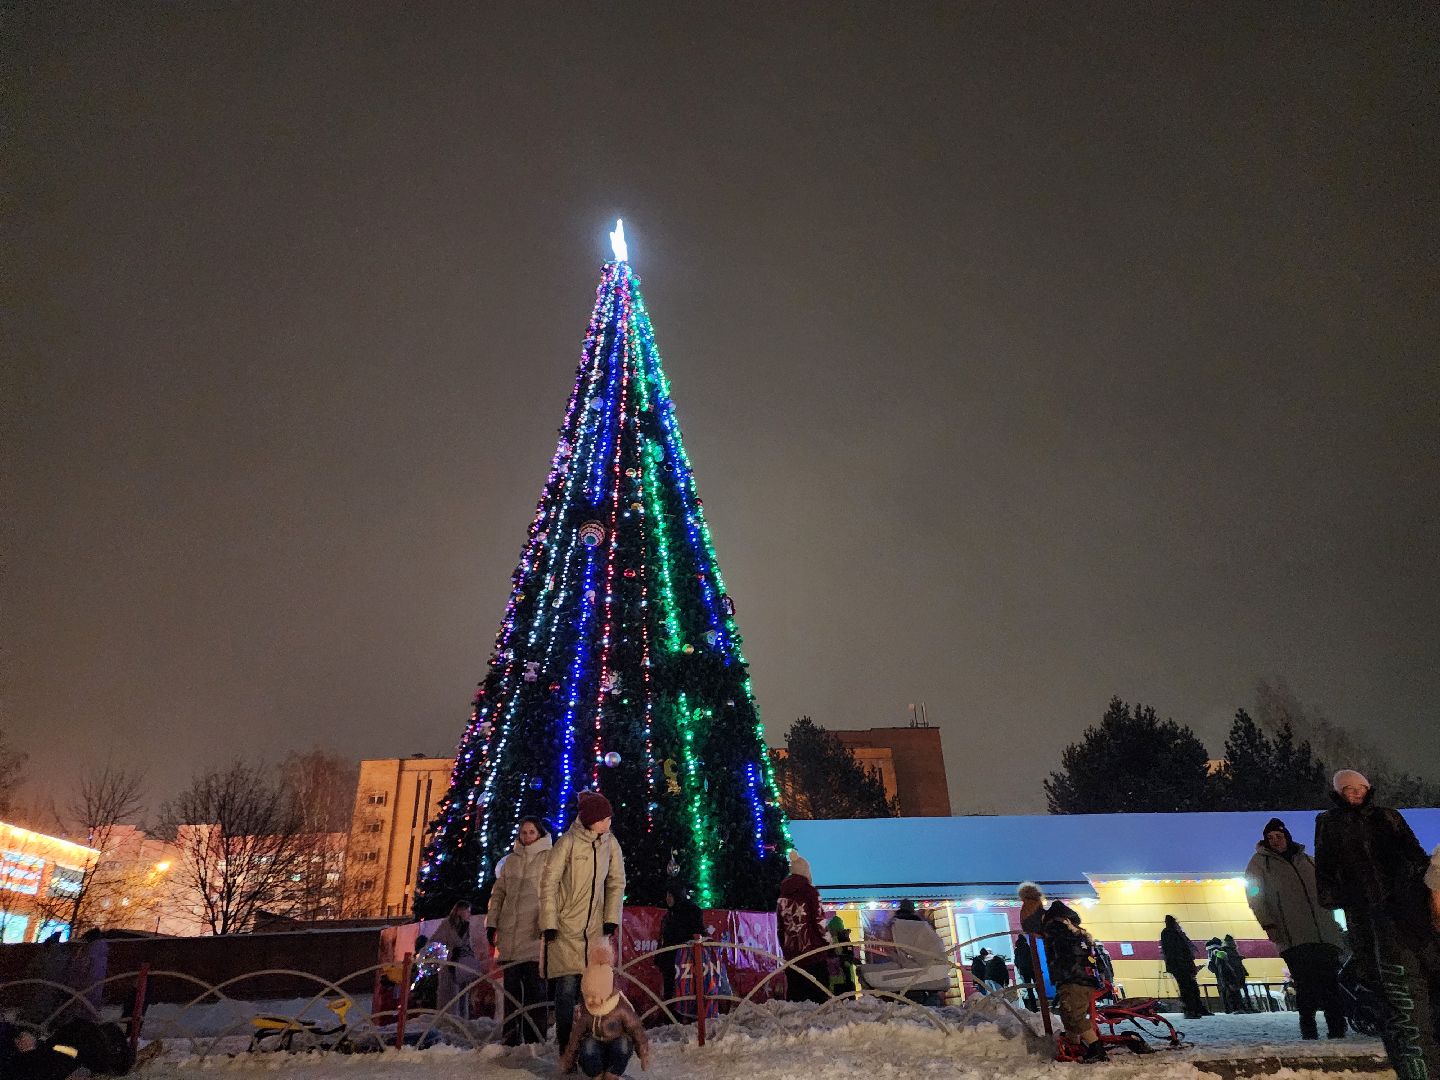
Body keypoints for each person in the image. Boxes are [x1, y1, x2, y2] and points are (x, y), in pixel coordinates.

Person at [1315, 769, 1440, 1080]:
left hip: (1402, 908)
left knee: (1411, 1002)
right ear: (1338, 793)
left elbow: (1415, 854)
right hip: (1363, 913)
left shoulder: (1387, 817)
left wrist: (1420, 886)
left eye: (1359, 787)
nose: (1354, 793)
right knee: (1395, 999)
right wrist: (1333, 896)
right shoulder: (1329, 822)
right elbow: (1325, 866)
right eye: (1347, 789)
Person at [1246, 816, 1347, 1038]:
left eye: (1278, 836)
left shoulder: (1308, 861)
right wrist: (1269, 924)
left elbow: (1328, 889)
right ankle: (1309, 1031)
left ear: (1287, 836)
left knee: (1330, 983)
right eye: (1270, 837)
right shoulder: (1259, 864)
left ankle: (1337, 1030)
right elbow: (1255, 896)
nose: (1275, 840)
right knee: (1305, 985)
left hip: (1324, 934)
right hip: (1292, 936)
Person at [541, 790, 626, 1055]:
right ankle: (566, 1047)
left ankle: (590, 1046)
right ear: (591, 820)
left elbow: (616, 881)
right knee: (566, 990)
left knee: (594, 992)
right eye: (604, 818)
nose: (608, 822)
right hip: (566, 927)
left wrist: (610, 918)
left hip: (595, 930)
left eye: (609, 818)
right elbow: (549, 882)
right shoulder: (567, 843)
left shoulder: (610, 844)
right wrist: (549, 922)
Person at [1021, 882, 1106, 1063]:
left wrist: (1065, 977)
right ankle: (1075, 1045)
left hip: (1075, 978)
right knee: (1067, 1013)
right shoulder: (1064, 925)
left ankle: (1096, 1048)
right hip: (1078, 977)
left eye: (1034, 932)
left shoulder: (1055, 928)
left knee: (1074, 1014)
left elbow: (1069, 955)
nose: (1036, 936)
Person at [487, 815, 552, 1047]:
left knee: (535, 992)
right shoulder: (511, 861)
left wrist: (548, 924)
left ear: (539, 833)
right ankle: (511, 1037)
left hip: (534, 935)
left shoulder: (548, 858)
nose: (527, 836)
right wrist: (492, 922)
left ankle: (535, 1039)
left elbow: (552, 894)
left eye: (531, 832)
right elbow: (498, 894)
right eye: (524, 832)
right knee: (511, 994)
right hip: (510, 936)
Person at [557, 942, 649, 1080]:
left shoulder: (620, 1007)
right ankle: (596, 1074)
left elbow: (636, 1030)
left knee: (623, 1045)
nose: (591, 1001)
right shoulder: (586, 1010)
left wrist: (643, 1054)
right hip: (595, 1044)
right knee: (587, 1046)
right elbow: (576, 1036)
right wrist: (568, 1060)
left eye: (595, 996)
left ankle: (613, 1073)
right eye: (588, 996)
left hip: (616, 1042)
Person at [776, 850, 830, 1003]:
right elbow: (819, 921)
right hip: (814, 954)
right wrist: (828, 943)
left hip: (793, 958)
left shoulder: (782, 897)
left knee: (796, 1003)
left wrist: (786, 950)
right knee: (818, 1000)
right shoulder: (811, 892)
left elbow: (780, 929)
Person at [428, 899, 481, 1020]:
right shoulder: (447, 924)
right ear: (460, 911)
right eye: (467, 911)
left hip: (462, 964)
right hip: (450, 965)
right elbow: (436, 942)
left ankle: (461, 1021)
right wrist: (448, 950)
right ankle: (448, 1021)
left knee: (462, 995)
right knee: (450, 997)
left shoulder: (466, 926)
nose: (469, 914)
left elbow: (468, 945)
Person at [657, 881, 705, 1006]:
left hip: (686, 961)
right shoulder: (669, 914)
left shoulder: (692, 911)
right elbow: (664, 938)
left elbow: (698, 933)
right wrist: (659, 957)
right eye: (667, 895)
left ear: (677, 895)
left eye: (670, 895)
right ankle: (670, 1014)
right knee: (670, 993)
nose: (667, 899)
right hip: (670, 960)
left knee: (686, 991)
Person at [1161, 915, 1206, 1019]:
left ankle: (1195, 1009)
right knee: (1187, 988)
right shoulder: (1171, 933)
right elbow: (1177, 951)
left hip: (1182, 965)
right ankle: (1191, 1010)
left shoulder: (1171, 933)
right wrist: (1184, 963)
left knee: (1191, 987)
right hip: (1181, 966)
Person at [1014, 933, 1039, 1011]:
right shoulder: (1027, 947)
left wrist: (1020, 969)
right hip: (1032, 969)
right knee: (1038, 986)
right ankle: (1042, 1002)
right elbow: (1032, 958)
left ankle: (1034, 1007)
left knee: (1029, 989)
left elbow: (1016, 962)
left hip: (1024, 971)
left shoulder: (1017, 950)